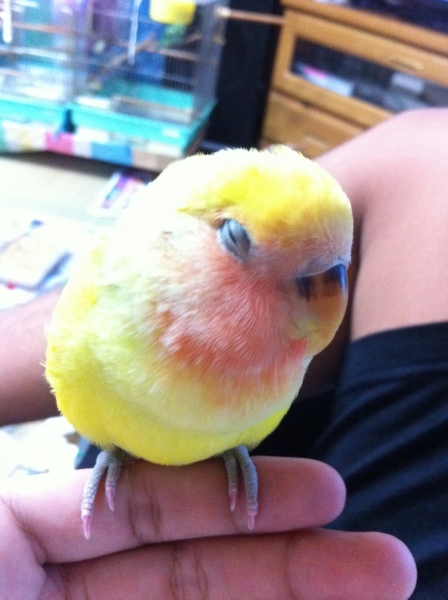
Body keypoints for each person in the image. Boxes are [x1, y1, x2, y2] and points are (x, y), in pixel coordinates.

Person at [3, 106, 448, 599]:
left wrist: (235, 450)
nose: (320, 297)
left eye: (333, 270)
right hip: (118, 458)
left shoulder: (285, 352)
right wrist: (109, 453)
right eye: (237, 240)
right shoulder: (90, 319)